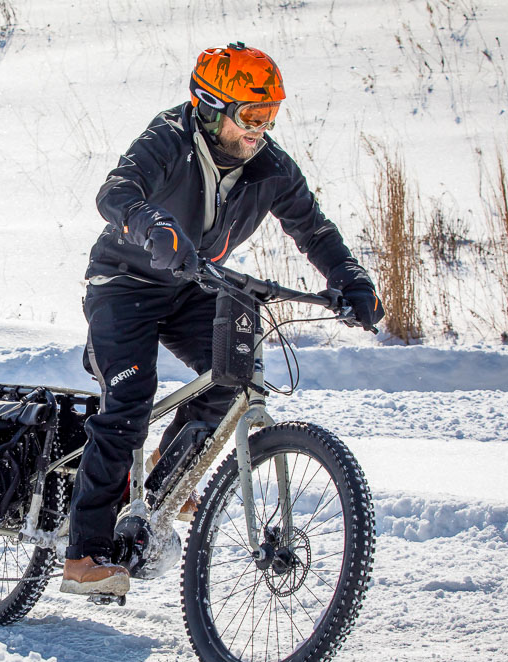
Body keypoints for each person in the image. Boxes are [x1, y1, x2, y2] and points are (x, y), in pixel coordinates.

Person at [59, 43, 385, 597]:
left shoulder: (271, 166)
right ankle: (84, 551)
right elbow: (116, 191)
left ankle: (162, 482)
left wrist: (350, 280)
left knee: (236, 373)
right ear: (210, 107)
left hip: (194, 282)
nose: (260, 130)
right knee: (131, 400)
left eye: (270, 117)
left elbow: (314, 229)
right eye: (250, 116)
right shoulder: (170, 137)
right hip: (124, 283)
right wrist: (150, 223)